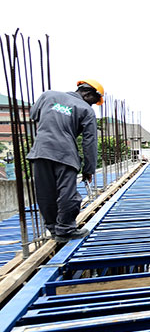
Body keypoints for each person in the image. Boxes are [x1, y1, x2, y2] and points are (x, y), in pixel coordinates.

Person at [27, 79, 101, 242]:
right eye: (93, 102)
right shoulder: (85, 110)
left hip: (40, 151)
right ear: (87, 94)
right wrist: (88, 169)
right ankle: (66, 229)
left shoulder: (48, 95)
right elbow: (90, 142)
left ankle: (54, 229)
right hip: (65, 155)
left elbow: (33, 115)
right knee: (67, 192)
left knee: (45, 193)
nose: (92, 106)